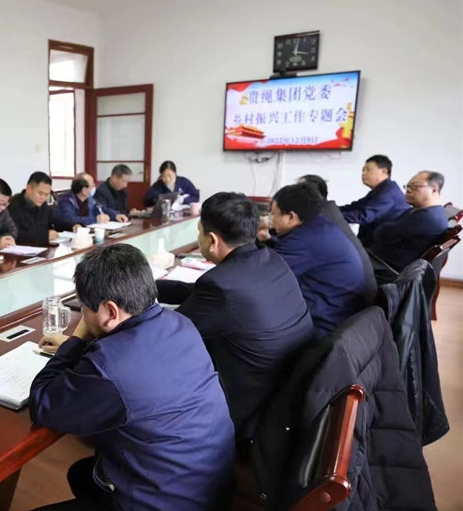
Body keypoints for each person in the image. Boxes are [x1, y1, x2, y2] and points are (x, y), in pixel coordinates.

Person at [12, 244, 234, 511]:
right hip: (204, 495)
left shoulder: (110, 367)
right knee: (82, 474)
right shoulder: (179, 324)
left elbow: (43, 403)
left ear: (111, 311)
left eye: (84, 309)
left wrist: (77, 338)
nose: (82, 316)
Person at [156, 192, 314, 437]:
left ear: (212, 240)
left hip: (246, 411)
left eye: (199, 232)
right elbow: (198, 293)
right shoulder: (269, 259)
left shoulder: (221, 286)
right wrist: (149, 286)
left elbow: (165, 335)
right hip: (283, 394)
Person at [263, 184, 369, 337]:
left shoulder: (302, 240)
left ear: (291, 217)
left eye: (273, 215)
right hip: (342, 314)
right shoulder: (319, 225)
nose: (271, 221)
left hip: (324, 325)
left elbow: (264, 276)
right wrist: (267, 239)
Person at [296, 174, 377, 303]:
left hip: (341, 304)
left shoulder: (318, 223)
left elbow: (284, 266)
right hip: (355, 299)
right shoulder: (330, 215)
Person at [367, 170, 449, 280]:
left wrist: (383, 228)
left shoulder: (427, 217)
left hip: (386, 268)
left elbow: (381, 233)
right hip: (382, 260)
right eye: (408, 186)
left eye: (415, 186)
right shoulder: (431, 211)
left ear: (434, 189)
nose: (408, 190)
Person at [338, 154, 409, 246]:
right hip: (371, 242)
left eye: (368, 169)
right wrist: (329, 209)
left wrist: (330, 215)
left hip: (380, 247)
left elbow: (363, 216)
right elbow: (355, 206)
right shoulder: (382, 189)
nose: (363, 173)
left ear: (384, 171)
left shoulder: (388, 193)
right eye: (363, 170)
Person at [7, 171, 77, 245]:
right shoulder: (14, 207)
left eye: (46, 195)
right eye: (40, 193)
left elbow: (54, 220)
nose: (43, 198)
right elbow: (15, 235)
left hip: (44, 248)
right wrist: (44, 236)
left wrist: (72, 226)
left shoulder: (43, 205)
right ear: (29, 188)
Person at [55, 173, 127, 226]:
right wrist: (95, 219)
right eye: (92, 186)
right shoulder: (66, 200)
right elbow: (71, 219)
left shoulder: (90, 199)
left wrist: (116, 215)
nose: (94, 187)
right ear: (84, 190)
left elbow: (102, 209)